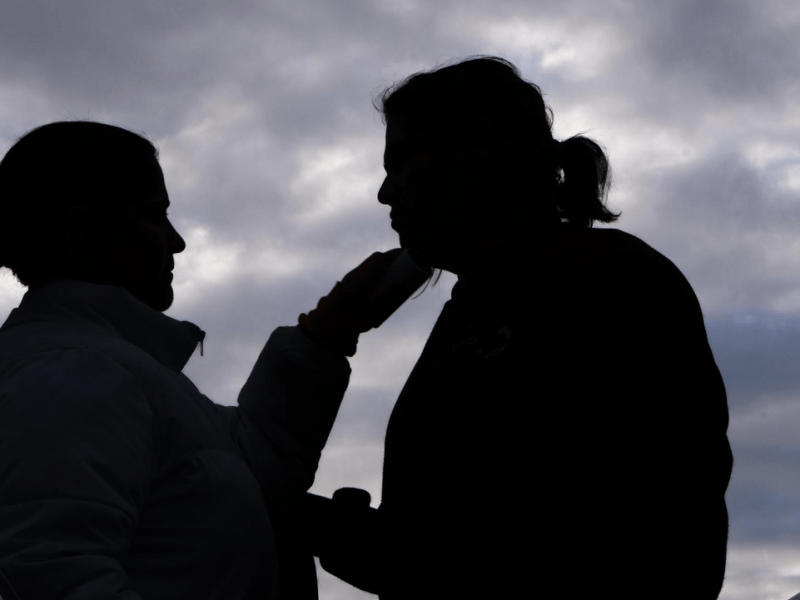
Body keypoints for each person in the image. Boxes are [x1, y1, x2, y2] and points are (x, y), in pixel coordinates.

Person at [303, 57, 734, 599]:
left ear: (477, 144)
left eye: (402, 161)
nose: (385, 193)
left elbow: (643, 528)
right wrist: (347, 534)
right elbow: (464, 537)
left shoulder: (608, 278)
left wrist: (343, 533)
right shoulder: (476, 304)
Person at [0, 120, 408, 600]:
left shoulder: (116, 369)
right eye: (155, 216)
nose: (177, 241)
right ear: (83, 230)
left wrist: (326, 332)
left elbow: (255, 467)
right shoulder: (73, 371)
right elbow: (56, 576)